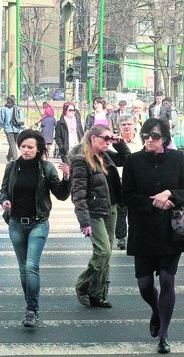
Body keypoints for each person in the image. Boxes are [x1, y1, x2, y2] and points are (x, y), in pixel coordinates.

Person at [122, 118, 184, 354]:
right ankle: (156, 310)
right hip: (142, 230)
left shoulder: (176, 159)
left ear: (164, 138)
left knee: (166, 280)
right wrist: (154, 202)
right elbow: (127, 196)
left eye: (154, 136)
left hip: (170, 231)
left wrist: (169, 194)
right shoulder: (133, 161)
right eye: (145, 136)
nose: (149, 140)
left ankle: (163, 333)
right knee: (144, 285)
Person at [0, 129, 71, 328]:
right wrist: (5, 201)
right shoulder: (12, 167)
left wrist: (67, 179)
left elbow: (61, 195)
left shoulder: (46, 168)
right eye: (23, 146)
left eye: (30, 147)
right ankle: (30, 305)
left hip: (38, 223)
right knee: (23, 269)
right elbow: (4, 190)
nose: (26, 150)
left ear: (38, 149)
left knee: (31, 267)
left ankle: (32, 309)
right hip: (15, 224)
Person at [68, 125, 130, 309]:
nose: (107, 142)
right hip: (94, 211)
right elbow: (78, 193)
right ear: (92, 138)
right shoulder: (81, 159)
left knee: (107, 254)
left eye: (109, 138)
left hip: (111, 208)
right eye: (105, 138)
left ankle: (98, 294)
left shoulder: (105, 154)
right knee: (102, 251)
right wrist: (84, 221)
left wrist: (118, 143)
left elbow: (127, 159)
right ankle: (83, 285)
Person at [113, 114, 143, 251]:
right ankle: (121, 237)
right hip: (119, 180)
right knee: (120, 209)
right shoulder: (114, 142)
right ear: (119, 126)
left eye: (129, 124)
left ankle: (135, 235)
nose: (126, 127)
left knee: (136, 209)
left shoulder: (142, 140)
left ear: (134, 125)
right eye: (123, 124)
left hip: (138, 180)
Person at [0, 95, 24, 162]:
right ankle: (14, 158)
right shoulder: (17, 108)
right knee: (13, 144)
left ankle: (13, 158)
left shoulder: (4, 109)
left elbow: (1, 119)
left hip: (8, 129)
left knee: (12, 144)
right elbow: (22, 118)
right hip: (17, 128)